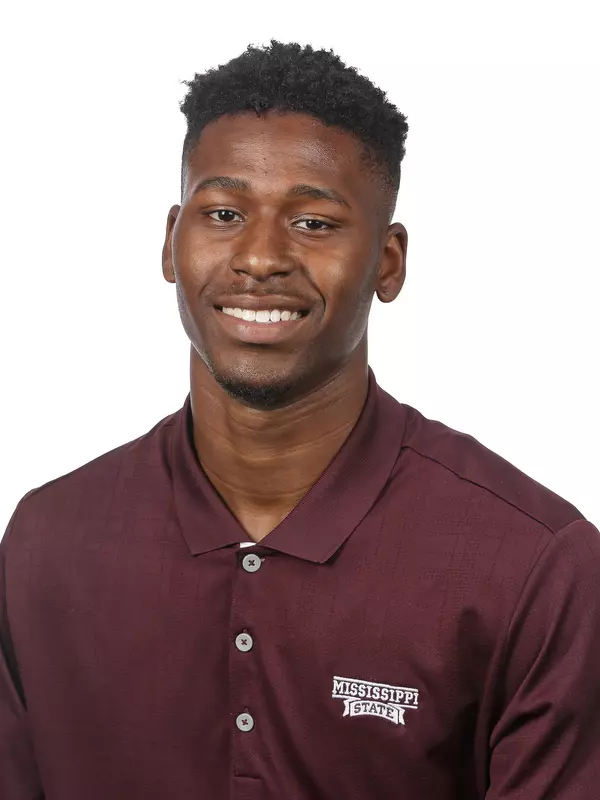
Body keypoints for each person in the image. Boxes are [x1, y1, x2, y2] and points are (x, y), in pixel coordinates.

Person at [1, 39, 599, 800]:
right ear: (169, 243)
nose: (259, 257)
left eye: (314, 223)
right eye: (223, 213)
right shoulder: (46, 542)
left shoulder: (535, 567)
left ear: (388, 263)